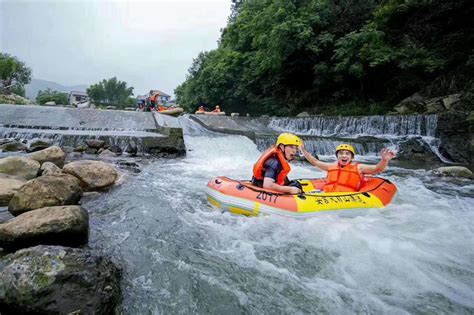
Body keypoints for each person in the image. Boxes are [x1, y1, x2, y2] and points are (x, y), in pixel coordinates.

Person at [300, 143, 396, 192]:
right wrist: (303, 150)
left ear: (352, 157)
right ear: (337, 156)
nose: (344, 156)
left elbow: (377, 169)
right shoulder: (331, 166)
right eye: (341, 153)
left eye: (347, 154)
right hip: (327, 196)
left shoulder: (359, 167)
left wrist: (384, 160)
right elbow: (315, 162)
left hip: (347, 199)